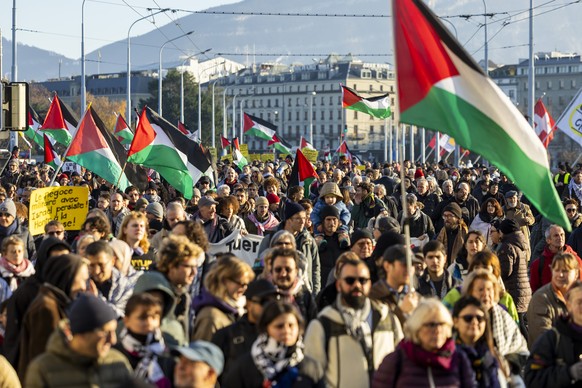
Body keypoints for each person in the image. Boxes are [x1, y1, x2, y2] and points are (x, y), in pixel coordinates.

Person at [305, 257, 403, 388]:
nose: (357, 285)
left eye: (362, 280)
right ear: (339, 285)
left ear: (369, 284)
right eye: (350, 280)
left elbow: (402, 362)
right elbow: (312, 376)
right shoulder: (322, 324)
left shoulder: (387, 318)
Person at [25, 294, 133, 387]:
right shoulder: (43, 369)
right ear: (81, 334)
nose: (112, 340)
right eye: (105, 333)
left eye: (114, 331)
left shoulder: (118, 362)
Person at [372, 298, 476, 388]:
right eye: (431, 325)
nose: (438, 330)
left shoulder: (458, 359)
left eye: (442, 324)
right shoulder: (396, 360)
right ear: (416, 328)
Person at [17, 253, 89, 380]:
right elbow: (43, 356)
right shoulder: (46, 308)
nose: (84, 287)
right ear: (68, 277)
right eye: (82, 280)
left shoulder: (57, 302)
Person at [223, 301, 324, 387]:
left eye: (291, 325)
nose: (286, 331)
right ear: (265, 328)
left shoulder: (310, 366)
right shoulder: (245, 367)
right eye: (279, 326)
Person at [211, 279, 280, 380]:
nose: (269, 307)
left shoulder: (281, 334)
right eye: (264, 302)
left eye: (273, 302)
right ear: (249, 303)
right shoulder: (227, 335)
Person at [461, 270, 529, 361]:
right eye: (481, 289)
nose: (486, 294)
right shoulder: (461, 315)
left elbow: (520, 349)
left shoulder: (503, 316)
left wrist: (509, 364)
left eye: (489, 290)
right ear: (470, 292)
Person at [525, 281, 582, 388]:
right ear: (569, 305)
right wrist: (569, 373)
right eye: (579, 302)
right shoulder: (552, 339)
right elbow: (532, 378)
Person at [114, 293, 172, 387]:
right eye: (142, 317)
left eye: (154, 317)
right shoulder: (115, 354)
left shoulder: (164, 354)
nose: (149, 323)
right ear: (126, 320)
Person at [192, 255, 255, 341]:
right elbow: (202, 352)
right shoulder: (210, 317)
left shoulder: (234, 311)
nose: (244, 288)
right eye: (241, 284)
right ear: (224, 281)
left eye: (246, 284)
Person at [453, 296, 508, 388]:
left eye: (479, 318)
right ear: (455, 321)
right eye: (468, 318)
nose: (475, 322)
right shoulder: (448, 355)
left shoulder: (491, 354)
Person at [526, 252, 580, 347]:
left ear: (576, 273)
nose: (560, 275)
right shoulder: (541, 298)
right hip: (549, 358)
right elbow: (542, 338)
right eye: (557, 270)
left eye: (565, 270)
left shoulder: (578, 296)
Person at [369, 244, 420, 326]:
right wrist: (402, 312)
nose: (409, 269)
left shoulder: (416, 297)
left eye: (412, 265)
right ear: (387, 266)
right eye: (404, 264)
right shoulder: (372, 296)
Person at [85, 240, 134, 317]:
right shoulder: (81, 283)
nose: (97, 271)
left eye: (101, 265)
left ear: (112, 261)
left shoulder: (125, 286)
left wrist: (96, 300)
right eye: (92, 265)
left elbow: (121, 316)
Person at [496, 218, 532, 323]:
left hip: (513, 292)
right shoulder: (519, 244)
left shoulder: (507, 247)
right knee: (520, 323)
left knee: (517, 326)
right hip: (522, 291)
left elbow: (506, 272)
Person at [269, 248, 318, 322]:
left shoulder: (306, 298)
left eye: (288, 269)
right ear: (271, 271)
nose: (283, 274)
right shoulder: (263, 298)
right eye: (278, 269)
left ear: (296, 271)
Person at [530, 224, 582, 293]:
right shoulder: (538, 264)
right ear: (548, 240)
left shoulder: (576, 260)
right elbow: (535, 290)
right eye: (556, 235)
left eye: (562, 235)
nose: (560, 238)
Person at [311, 182, 351, 249]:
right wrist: (318, 224)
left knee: (343, 233)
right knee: (318, 236)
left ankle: (343, 241)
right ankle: (320, 243)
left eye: (332, 197)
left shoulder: (340, 205)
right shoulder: (319, 205)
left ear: (337, 197)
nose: (330, 199)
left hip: (339, 225)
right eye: (327, 197)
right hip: (321, 226)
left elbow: (347, 214)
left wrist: (342, 221)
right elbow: (314, 214)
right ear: (323, 198)